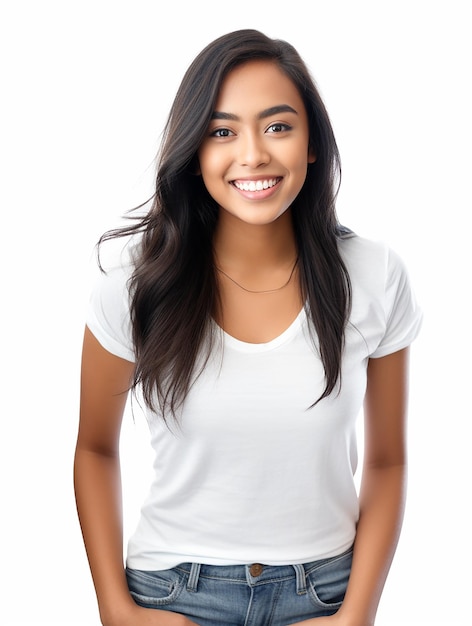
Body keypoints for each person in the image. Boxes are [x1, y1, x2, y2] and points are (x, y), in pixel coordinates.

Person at [74, 29, 422, 626]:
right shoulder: (136, 285)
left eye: (279, 126)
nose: (254, 154)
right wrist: (114, 609)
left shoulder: (373, 275)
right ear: (195, 151)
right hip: (173, 595)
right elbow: (94, 448)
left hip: (324, 594)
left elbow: (388, 462)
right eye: (222, 131)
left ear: (312, 143)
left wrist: (356, 616)